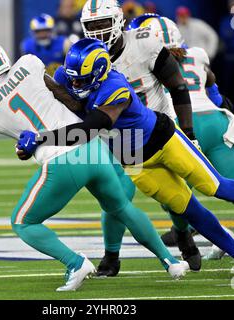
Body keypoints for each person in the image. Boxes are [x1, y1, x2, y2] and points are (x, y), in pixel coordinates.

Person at [0, 41, 190, 291]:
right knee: (122, 207)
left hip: (60, 159)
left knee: (23, 222)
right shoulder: (29, 65)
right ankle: (171, 261)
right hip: (91, 146)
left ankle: (75, 263)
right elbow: (68, 99)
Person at [24, 38, 234, 283]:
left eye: (81, 81)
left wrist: (41, 138)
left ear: (99, 74)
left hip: (163, 140)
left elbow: (90, 127)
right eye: (72, 79)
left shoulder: (115, 87)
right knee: (189, 209)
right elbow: (69, 98)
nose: (74, 85)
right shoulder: (71, 76)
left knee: (215, 187)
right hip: (133, 160)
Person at [128, 14, 234, 257]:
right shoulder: (198, 54)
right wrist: (219, 100)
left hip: (179, 123)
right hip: (217, 121)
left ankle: (215, 235)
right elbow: (213, 90)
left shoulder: (143, 63)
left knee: (177, 197)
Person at [80, 0, 200, 273]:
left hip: (158, 127)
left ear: (119, 21)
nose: (97, 32)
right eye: (91, 26)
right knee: (116, 196)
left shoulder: (144, 42)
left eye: (102, 24)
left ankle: (182, 233)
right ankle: (112, 257)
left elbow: (178, 86)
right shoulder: (85, 54)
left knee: (179, 194)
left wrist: (189, 133)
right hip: (121, 137)